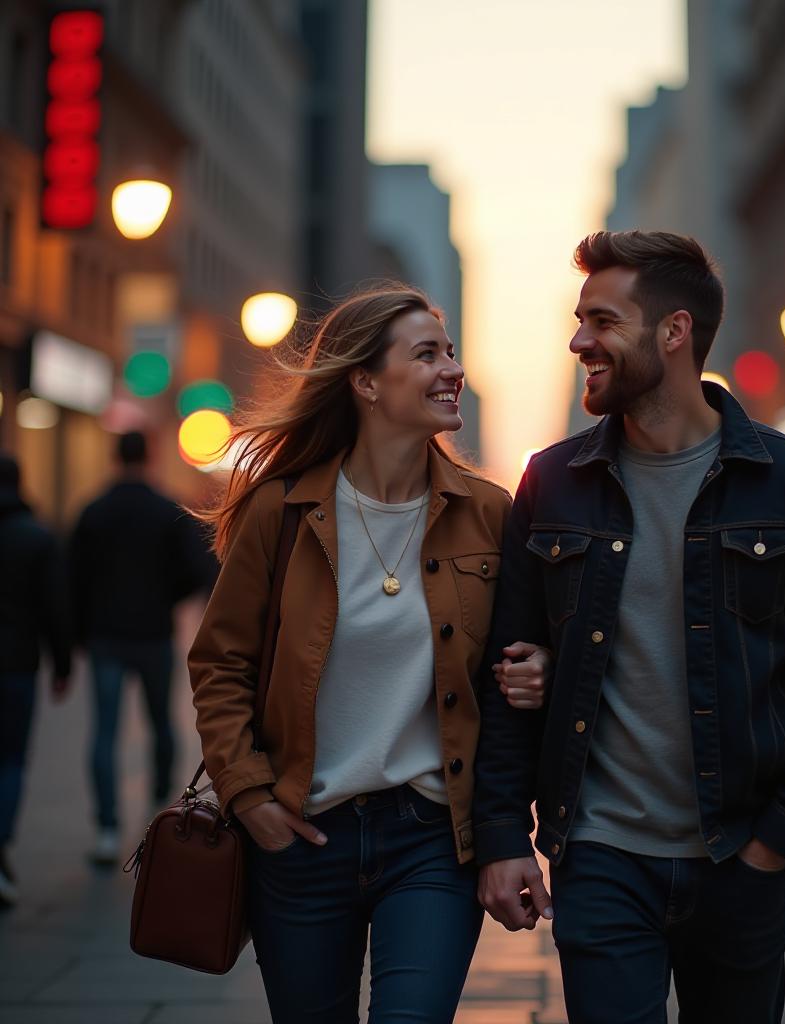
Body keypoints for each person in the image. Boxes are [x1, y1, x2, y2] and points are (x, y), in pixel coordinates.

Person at [473, 230, 785, 1024]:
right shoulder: (552, 481)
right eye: (579, 319)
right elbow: (505, 672)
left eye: (602, 320)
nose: (578, 340)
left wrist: (777, 840)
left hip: (739, 859)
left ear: (674, 331)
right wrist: (501, 836)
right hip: (599, 858)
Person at [189, 285, 549, 1023]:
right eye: (426, 355)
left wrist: (537, 668)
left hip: (431, 838)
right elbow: (220, 663)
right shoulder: (280, 510)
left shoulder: (488, 513)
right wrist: (249, 795)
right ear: (365, 381)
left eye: (449, 351)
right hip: (302, 833)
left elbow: (515, 652)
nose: (451, 368)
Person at [70, 431, 209, 865]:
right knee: (161, 723)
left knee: (104, 733)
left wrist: (78, 633)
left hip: (107, 635)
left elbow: (73, 579)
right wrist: (167, 597)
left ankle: (108, 828)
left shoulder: (93, 511)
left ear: (114, 457)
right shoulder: (167, 509)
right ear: (149, 456)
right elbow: (198, 567)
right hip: (153, 632)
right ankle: (158, 799)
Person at [0, 453, 72, 908]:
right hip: (16, 666)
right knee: (10, 760)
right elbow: (55, 608)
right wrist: (62, 665)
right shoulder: (36, 538)